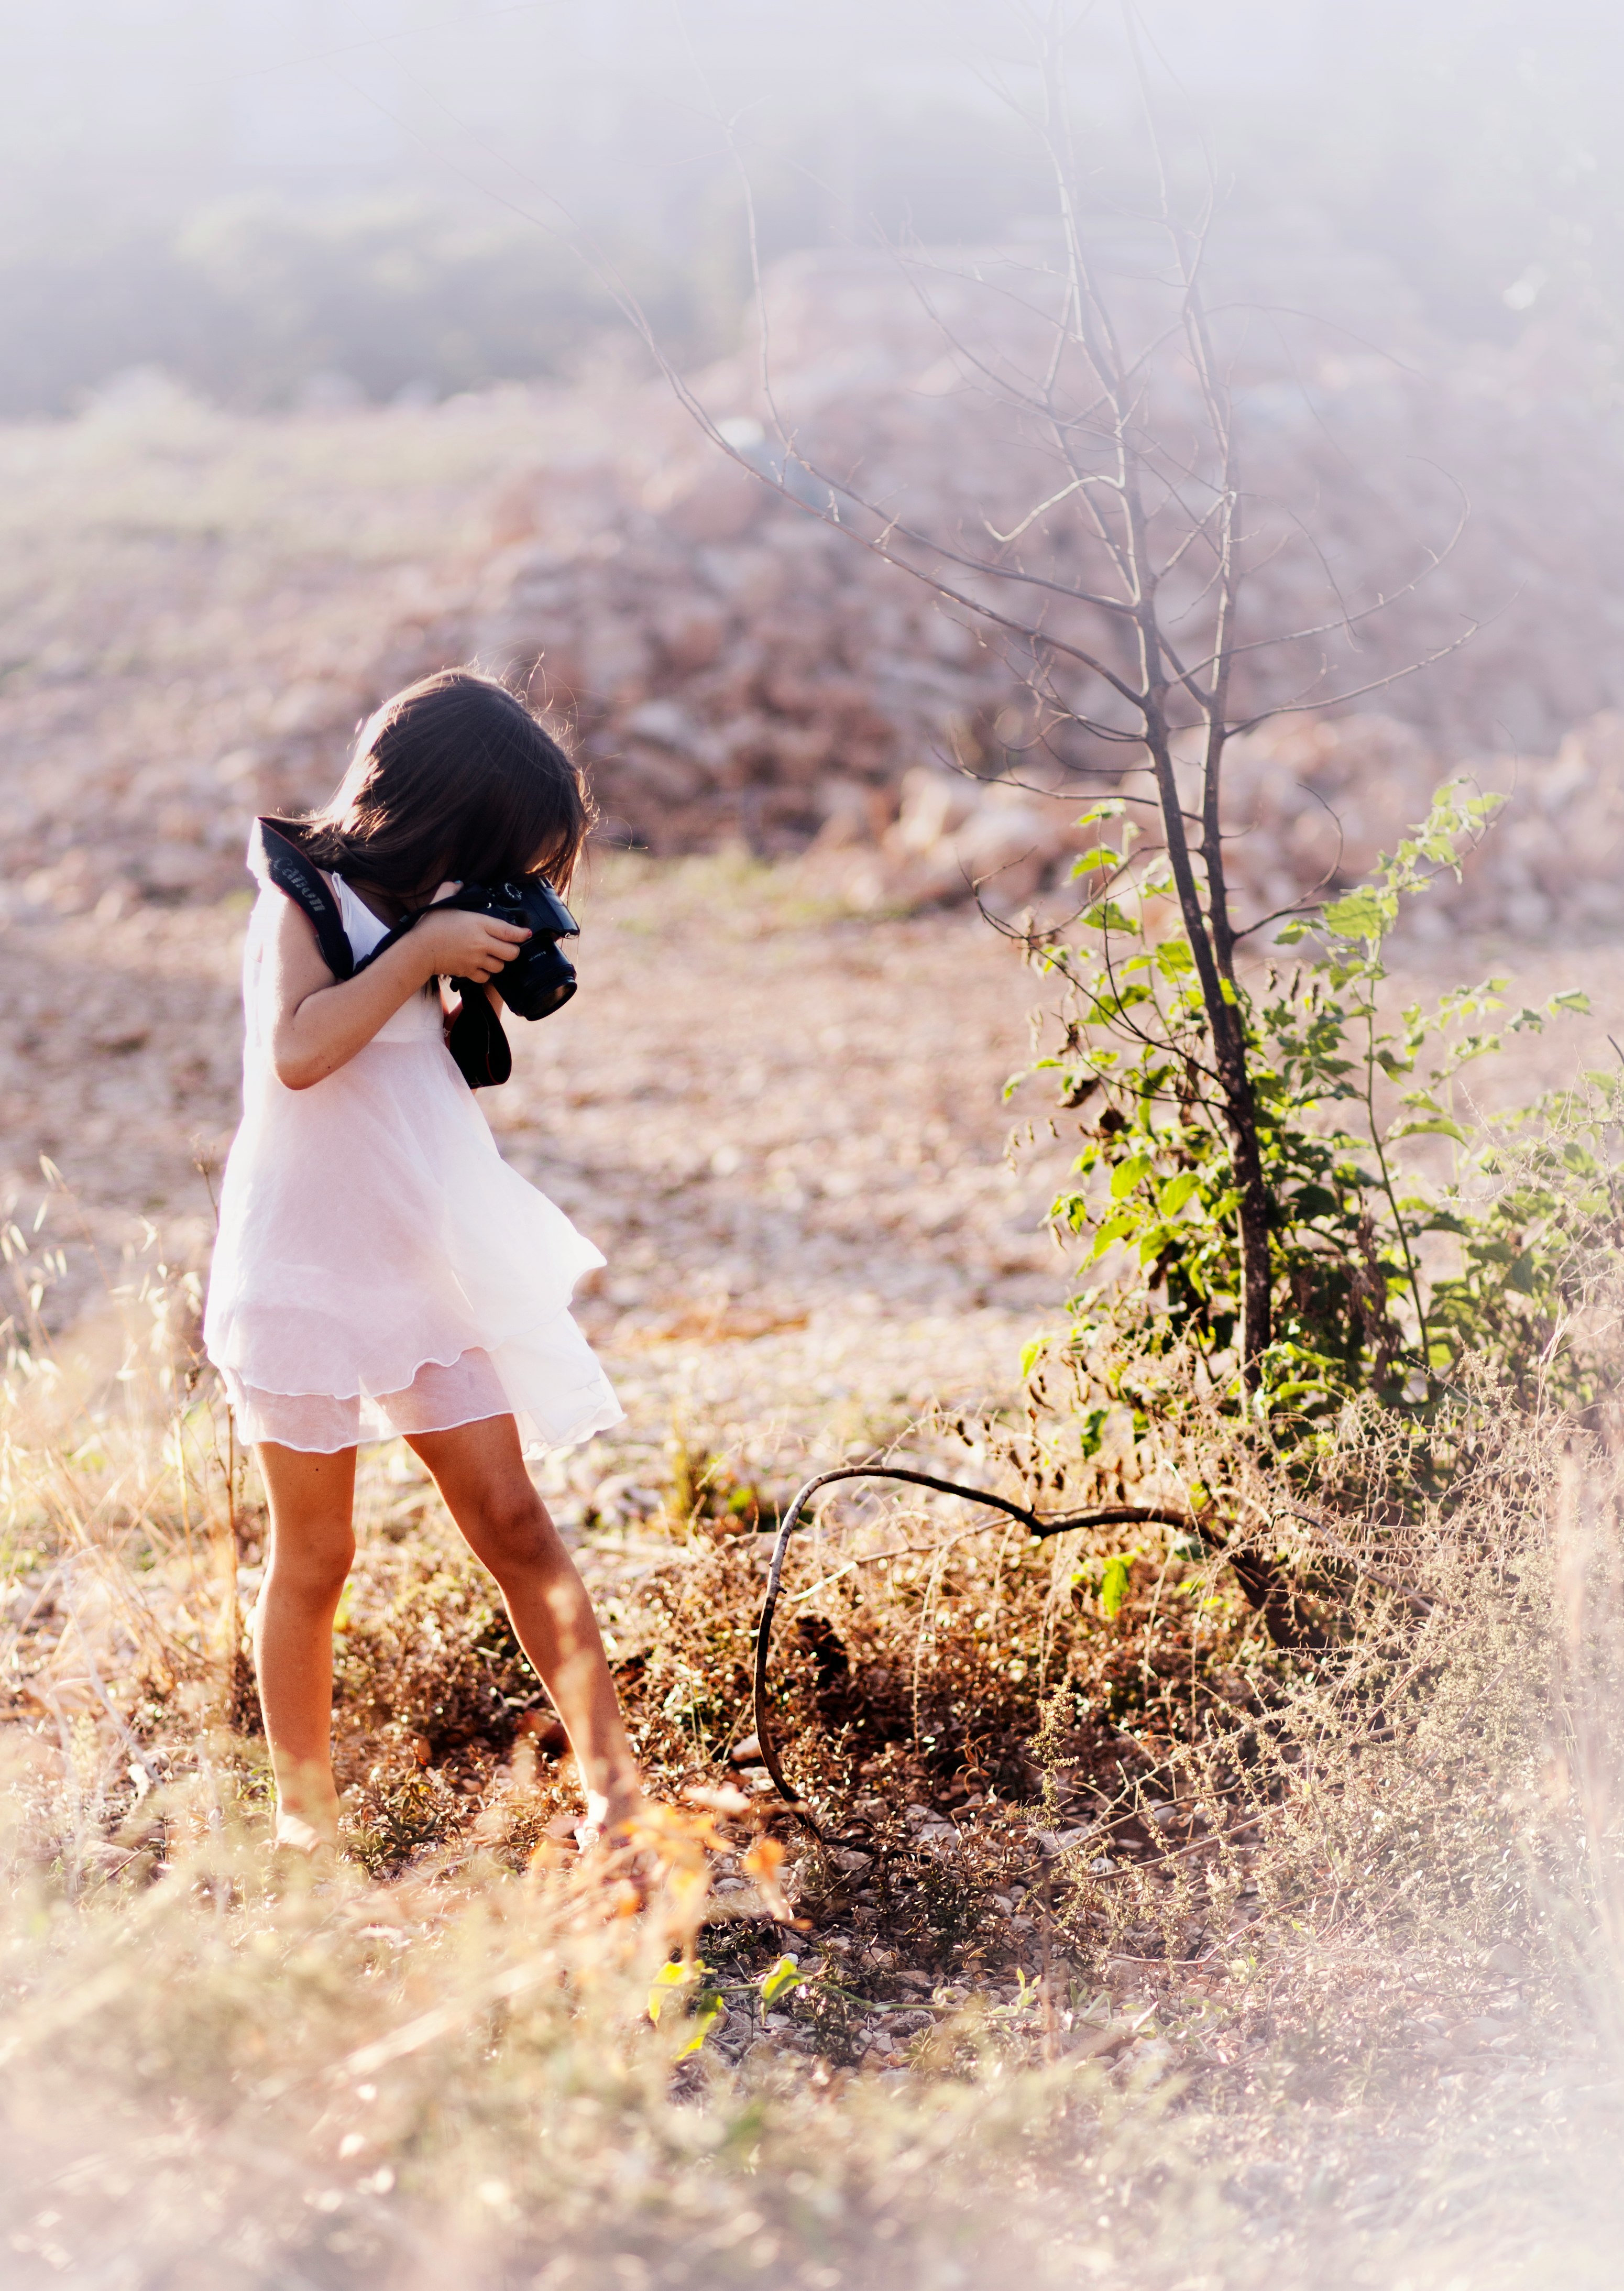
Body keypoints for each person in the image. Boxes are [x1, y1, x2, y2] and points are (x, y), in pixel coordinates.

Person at [203, 667, 643, 1855]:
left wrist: (471, 966)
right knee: (318, 1555)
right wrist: (422, 951)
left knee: (512, 1518)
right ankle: (307, 1824)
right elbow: (300, 1051)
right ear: (444, 815)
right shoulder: (302, 898)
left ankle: (616, 1794)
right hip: (300, 1262)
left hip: (422, 1252)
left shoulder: (431, 909)